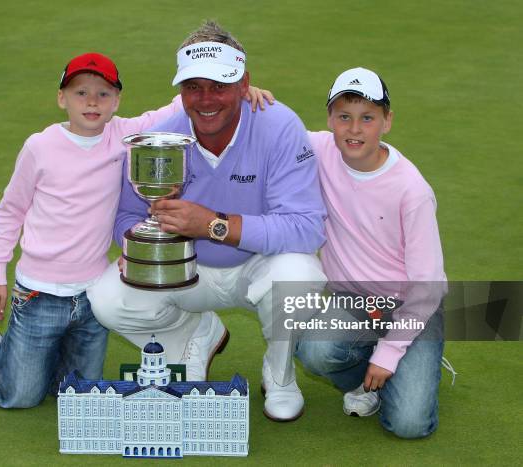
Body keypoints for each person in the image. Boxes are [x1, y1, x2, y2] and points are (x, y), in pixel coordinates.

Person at [87, 21, 327, 422]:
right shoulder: (162, 136)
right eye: (193, 87)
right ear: (180, 90)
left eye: (219, 85)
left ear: (244, 82)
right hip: (187, 269)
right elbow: (127, 215)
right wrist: (143, 244)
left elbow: (307, 227)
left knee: (300, 274)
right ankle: (195, 337)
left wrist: (214, 224)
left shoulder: (280, 125)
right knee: (107, 299)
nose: (205, 99)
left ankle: (280, 374)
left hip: (258, 265)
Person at [0, 52, 188, 409]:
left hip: (91, 298)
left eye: (103, 93)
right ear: (61, 98)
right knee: (18, 395)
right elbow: (10, 211)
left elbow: (177, 108)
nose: (92, 102)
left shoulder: (125, 136)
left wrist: (236, 87)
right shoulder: (40, 147)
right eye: (81, 92)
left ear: (117, 101)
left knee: (74, 394)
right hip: (38, 295)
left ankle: (32, 357)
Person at [296, 67, 448, 438]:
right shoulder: (318, 149)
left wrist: (389, 352)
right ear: (330, 119)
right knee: (315, 351)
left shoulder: (412, 190)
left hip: (411, 307)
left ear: (387, 121)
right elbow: (269, 131)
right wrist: (254, 96)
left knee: (409, 425)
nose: (354, 129)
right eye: (344, 117)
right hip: (353, 302)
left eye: (367, 118)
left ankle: (404, 358)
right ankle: (370, 380)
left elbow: (427, 287)